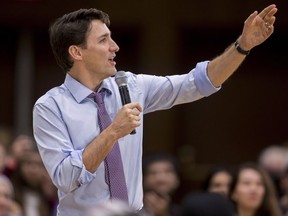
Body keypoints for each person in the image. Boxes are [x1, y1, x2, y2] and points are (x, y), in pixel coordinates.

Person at [32, 4, 277, 215]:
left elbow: (197, 84)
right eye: (103, 40)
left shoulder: (129, 84)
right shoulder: (50, 107)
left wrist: (242, 46)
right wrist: (113, 131)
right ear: (76, 52)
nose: (115, 47)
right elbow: (65, 177)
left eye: (111, 37)